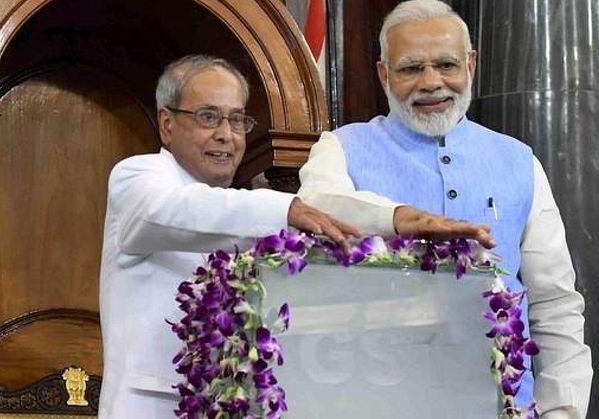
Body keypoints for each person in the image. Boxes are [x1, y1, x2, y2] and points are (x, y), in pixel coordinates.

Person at [98, 54, 496, 418]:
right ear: (167, 123)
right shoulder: (138, 177)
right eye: (208, 117)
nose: (226, 134)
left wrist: (396, 220)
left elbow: (319, 219)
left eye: (237, 120)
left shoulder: (246, 206)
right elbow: (182, 210)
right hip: (155, 406)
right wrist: (288, 209)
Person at [298, 0, 593, 419]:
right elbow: (318, 207)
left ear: (470, 65)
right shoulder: (341, 148)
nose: (431, 82)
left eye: (447, 65)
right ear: (383, 74)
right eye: (411, 68)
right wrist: (399, 219)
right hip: (374, 402)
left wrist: (562, 410)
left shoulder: (519, 161)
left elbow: (554, 303)